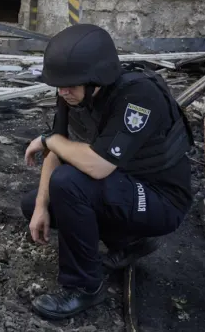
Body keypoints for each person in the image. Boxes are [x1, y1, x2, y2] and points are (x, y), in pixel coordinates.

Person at [20, 24, 194, 320]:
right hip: (123, 187)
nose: (62, 92)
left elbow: (97, 166)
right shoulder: (73, 93)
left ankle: (84, 287)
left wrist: (50, 141)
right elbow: (57, 148)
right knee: (39, 202)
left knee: (68, 183)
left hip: (161, 198)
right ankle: (129, 242)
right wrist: (39, 207)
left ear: (96, 79)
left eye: (69, 85)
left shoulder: (138, 96)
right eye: (59, 86)